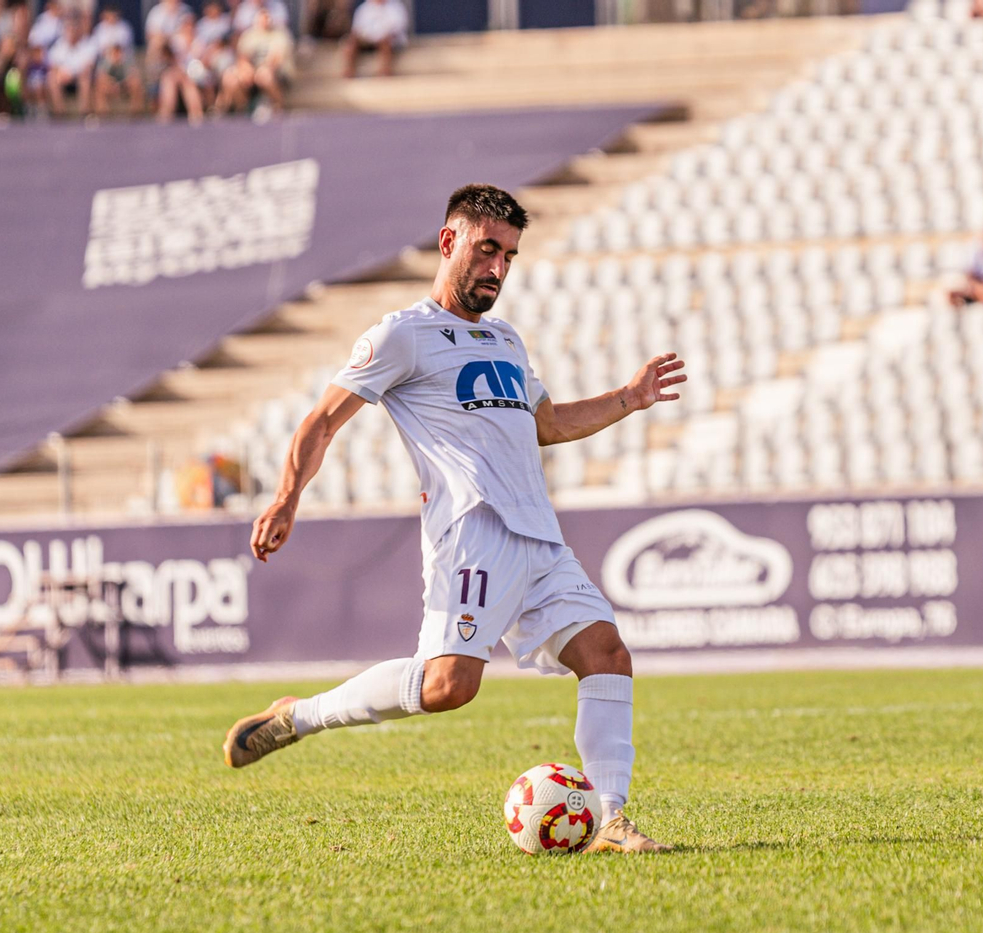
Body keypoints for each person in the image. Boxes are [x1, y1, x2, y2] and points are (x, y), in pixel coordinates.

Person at [223, 184, 687, 853]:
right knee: (445, 687)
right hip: (472, 534)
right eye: (487, 249)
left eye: (509, 255)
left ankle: (609, 818)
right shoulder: (402, 335)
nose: (498, 267)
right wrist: (287, 497)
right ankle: (298, 718)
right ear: (450, 243)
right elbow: (322, 421)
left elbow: (548, 426)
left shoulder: (505, 340)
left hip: (539, 538)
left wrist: (628, 398)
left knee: (607, 654)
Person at [221, 5, 290, 114]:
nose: (264, 21)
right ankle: (243, 108)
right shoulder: (248, 35)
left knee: (265, 76)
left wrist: (262, 69)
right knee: (230, 77)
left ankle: (279, 106)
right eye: (261, 18)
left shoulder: (279, 34)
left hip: (275, 72)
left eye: (267, 18)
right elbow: (242, 56)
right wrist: (246, 69)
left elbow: (276, 59)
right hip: (253, 70)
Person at [341, 0, 407, 78]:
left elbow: (398, 27)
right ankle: (349, 71)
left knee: (386, 42)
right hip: (368, 40)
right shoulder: (363, 8)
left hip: (389, 41)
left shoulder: (396, 7)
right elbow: (357, 29)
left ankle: (384, 72)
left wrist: (381, 35)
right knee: (351, 42)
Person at [46, 17, 96, 114]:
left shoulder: (87, 44)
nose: (71, 33)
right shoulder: (59, 44)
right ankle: (60, 113)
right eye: (68, 30)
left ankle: (84, 113)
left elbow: (89, 66)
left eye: (73, 30)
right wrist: (61, 73)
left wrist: (72, 75)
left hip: (79, 79)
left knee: (85, 78)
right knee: (51, 78)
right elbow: (53, 65)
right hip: (63, 79)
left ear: (78, 31)